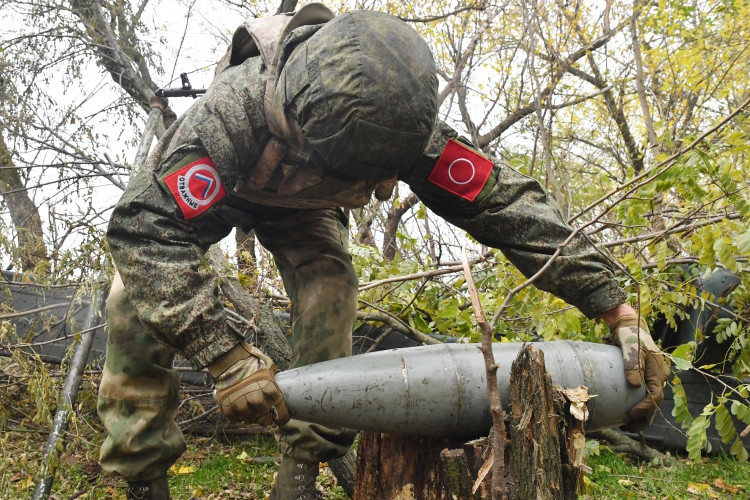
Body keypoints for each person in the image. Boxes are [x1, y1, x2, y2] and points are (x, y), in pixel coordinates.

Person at [97, 5, 670, 500]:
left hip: (304, 212)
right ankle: (144, 476)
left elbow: (503, 204)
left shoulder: (402, 127)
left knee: (332, 292)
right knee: (131, 305)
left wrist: (614, 306)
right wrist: (225, 357)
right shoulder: (234, 112)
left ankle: (301, 469)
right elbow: (144, 234)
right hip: (223, 194)